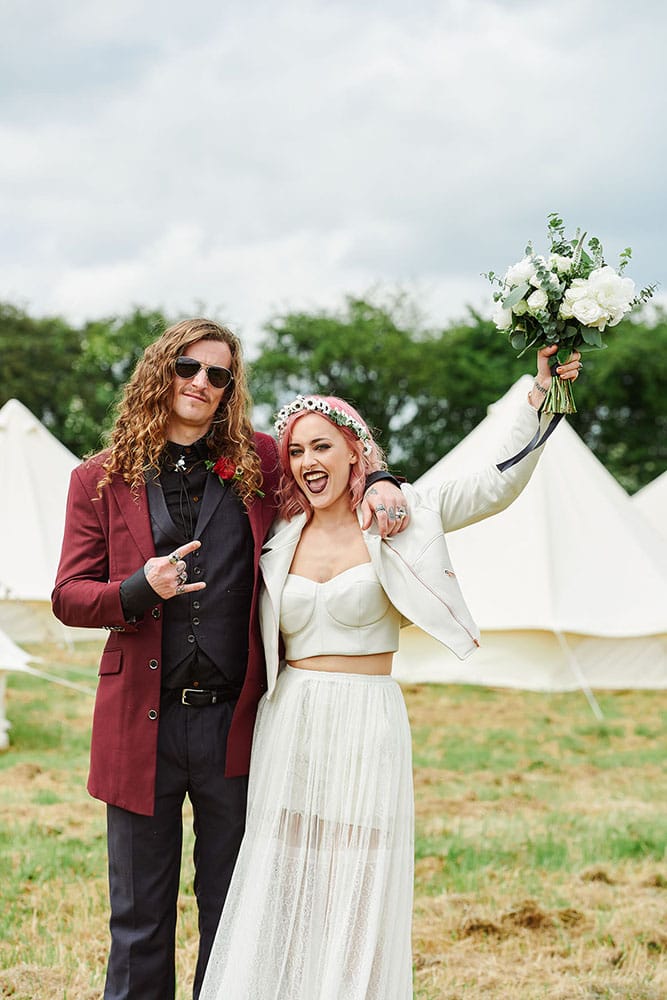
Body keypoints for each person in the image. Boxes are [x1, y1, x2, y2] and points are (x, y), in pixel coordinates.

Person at [199, 346, 582, 1000]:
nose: (307, 461)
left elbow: (497, 483)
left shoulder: (400, 516)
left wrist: (539, 397)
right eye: (296, 451)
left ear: (356, 452)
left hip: (365, 717)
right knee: (287, 873)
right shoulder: (278, 531)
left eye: (322, 446)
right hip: (289, 720)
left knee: (358, 876)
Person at [51, 317, 407, 1000]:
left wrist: (384, 477)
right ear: (161, 371)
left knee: (236, 913)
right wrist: (137, 589)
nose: (201, 382)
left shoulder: (261, 461)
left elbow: (330, 451)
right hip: (140, 724)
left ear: (230, 388)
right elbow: (69, 595)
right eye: (188, 367)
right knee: (138, 921)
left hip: (235, 727)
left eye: (219, 374)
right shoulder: (97, 478)